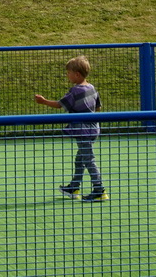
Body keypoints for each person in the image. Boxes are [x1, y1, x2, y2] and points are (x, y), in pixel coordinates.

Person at [34, 55, 108, 202]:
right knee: (80, 159)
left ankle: (99, 189)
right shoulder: (92, 88)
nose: (67, 75)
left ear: (77, 74)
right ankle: (74, 186)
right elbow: (98, 107)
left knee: (88, 159)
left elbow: (60, 104)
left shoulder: (75, 91)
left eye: (68, 73)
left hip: (82, 131)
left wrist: (43, 101)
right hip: (94, 128)